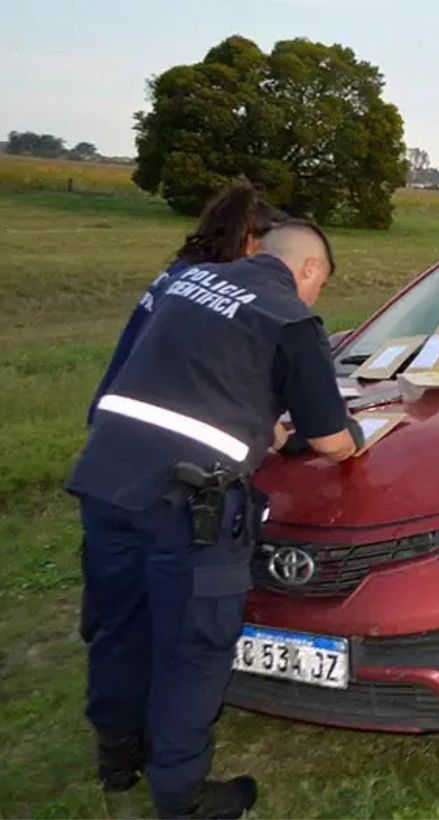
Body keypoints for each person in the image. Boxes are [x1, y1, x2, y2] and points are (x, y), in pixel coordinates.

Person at [67, 220, 363, 819]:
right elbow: (330, 439)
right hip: (187, 507)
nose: (316, 297)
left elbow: (191, 382)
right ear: (309, 269)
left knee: (119, 622)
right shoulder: (290, 316)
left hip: (108, 480)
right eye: (320, 284)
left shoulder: (186, 282)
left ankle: (118, 755)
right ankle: (182, 793)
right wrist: (351, 438)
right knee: (193, 648)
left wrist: (259, 426)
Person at [79, 183, 288, 647]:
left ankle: (118, 669)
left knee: (119, 575)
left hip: (114, 438)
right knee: (158, 584)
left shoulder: (182, 275)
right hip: (155, 451)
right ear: (251, 240)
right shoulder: (213, 287)